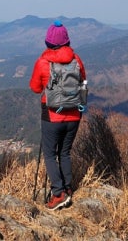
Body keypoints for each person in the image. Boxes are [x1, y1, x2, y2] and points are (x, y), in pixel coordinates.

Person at [29, 20, 86, 210]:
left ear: (47, 42)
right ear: (67, 41)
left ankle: (58, 193)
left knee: (50, 154)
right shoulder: (77, 60)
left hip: (52, 115)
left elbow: (35, 88)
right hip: (74, 115)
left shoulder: (43, 62)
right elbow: (83, 81)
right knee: (65, 152)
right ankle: (67, 188)